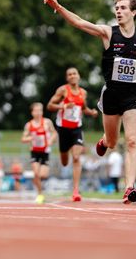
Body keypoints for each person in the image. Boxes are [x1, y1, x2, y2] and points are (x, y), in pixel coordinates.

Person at [44, 0, 136, 204]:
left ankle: (129, 187)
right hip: (111, 95)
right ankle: (104, 140)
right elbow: (80, 23)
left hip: (133, 95)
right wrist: (58, 8)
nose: (118, 11)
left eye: (122, 8)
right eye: (117, 8)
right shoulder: (108, 33)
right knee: (112, 142)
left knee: (131, 141)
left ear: (134, 11)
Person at [47, 67, 99, 202]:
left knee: (76, 157)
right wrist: (63, 106)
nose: (72, 76)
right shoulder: (63, 90)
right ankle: (64, 152)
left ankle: (75, 191)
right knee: (65, 162)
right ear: (67, 78)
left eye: (74, 73)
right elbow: (50, 105)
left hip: (77, 129)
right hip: (63, 129)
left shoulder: (83, 93)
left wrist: (91, 112)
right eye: (69, 74)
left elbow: (83, 108)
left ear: (78, 76)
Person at [21, 102, 57, 203]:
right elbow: (23, 139)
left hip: (45, 151)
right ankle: (40, 194)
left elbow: (54, 133)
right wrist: (30, 138)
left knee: (43, 175)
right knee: (36, 173)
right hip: (34, 151)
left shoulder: (47, 122)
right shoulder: (29, 125)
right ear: (32, 113)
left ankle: (40, 187)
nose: (38, 113)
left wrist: (50, 140)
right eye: (36, 111)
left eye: (40, 110)